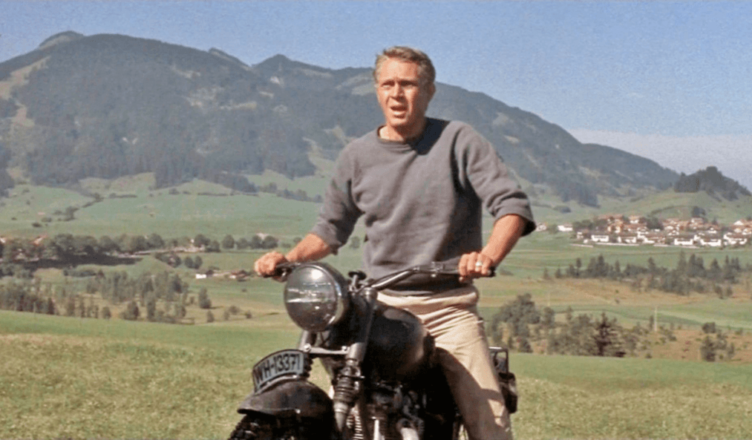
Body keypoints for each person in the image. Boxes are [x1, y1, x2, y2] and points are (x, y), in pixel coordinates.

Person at [255, 46, 535, 440]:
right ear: (376, 90)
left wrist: (487, 256)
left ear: (429, 91)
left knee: (489, 420)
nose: (397, 94)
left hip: (446, 307)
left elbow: (512, 206)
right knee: (343, 404)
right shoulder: (357, 155)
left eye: (408, 84)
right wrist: (289, 258)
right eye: (388, 84)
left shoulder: (458, 141)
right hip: (378, 307)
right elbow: (330, 230)